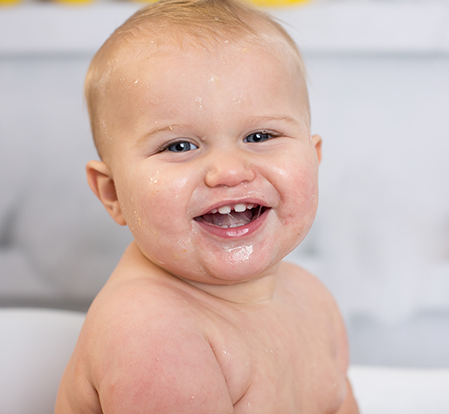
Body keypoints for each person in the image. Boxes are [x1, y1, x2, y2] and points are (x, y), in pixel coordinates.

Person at [55, 0, 357, 411]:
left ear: (313, 157)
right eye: (180, 145)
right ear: (112, 193)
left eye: (260, 136)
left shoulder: (313, 299)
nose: (230, 171)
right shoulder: (151, 332)